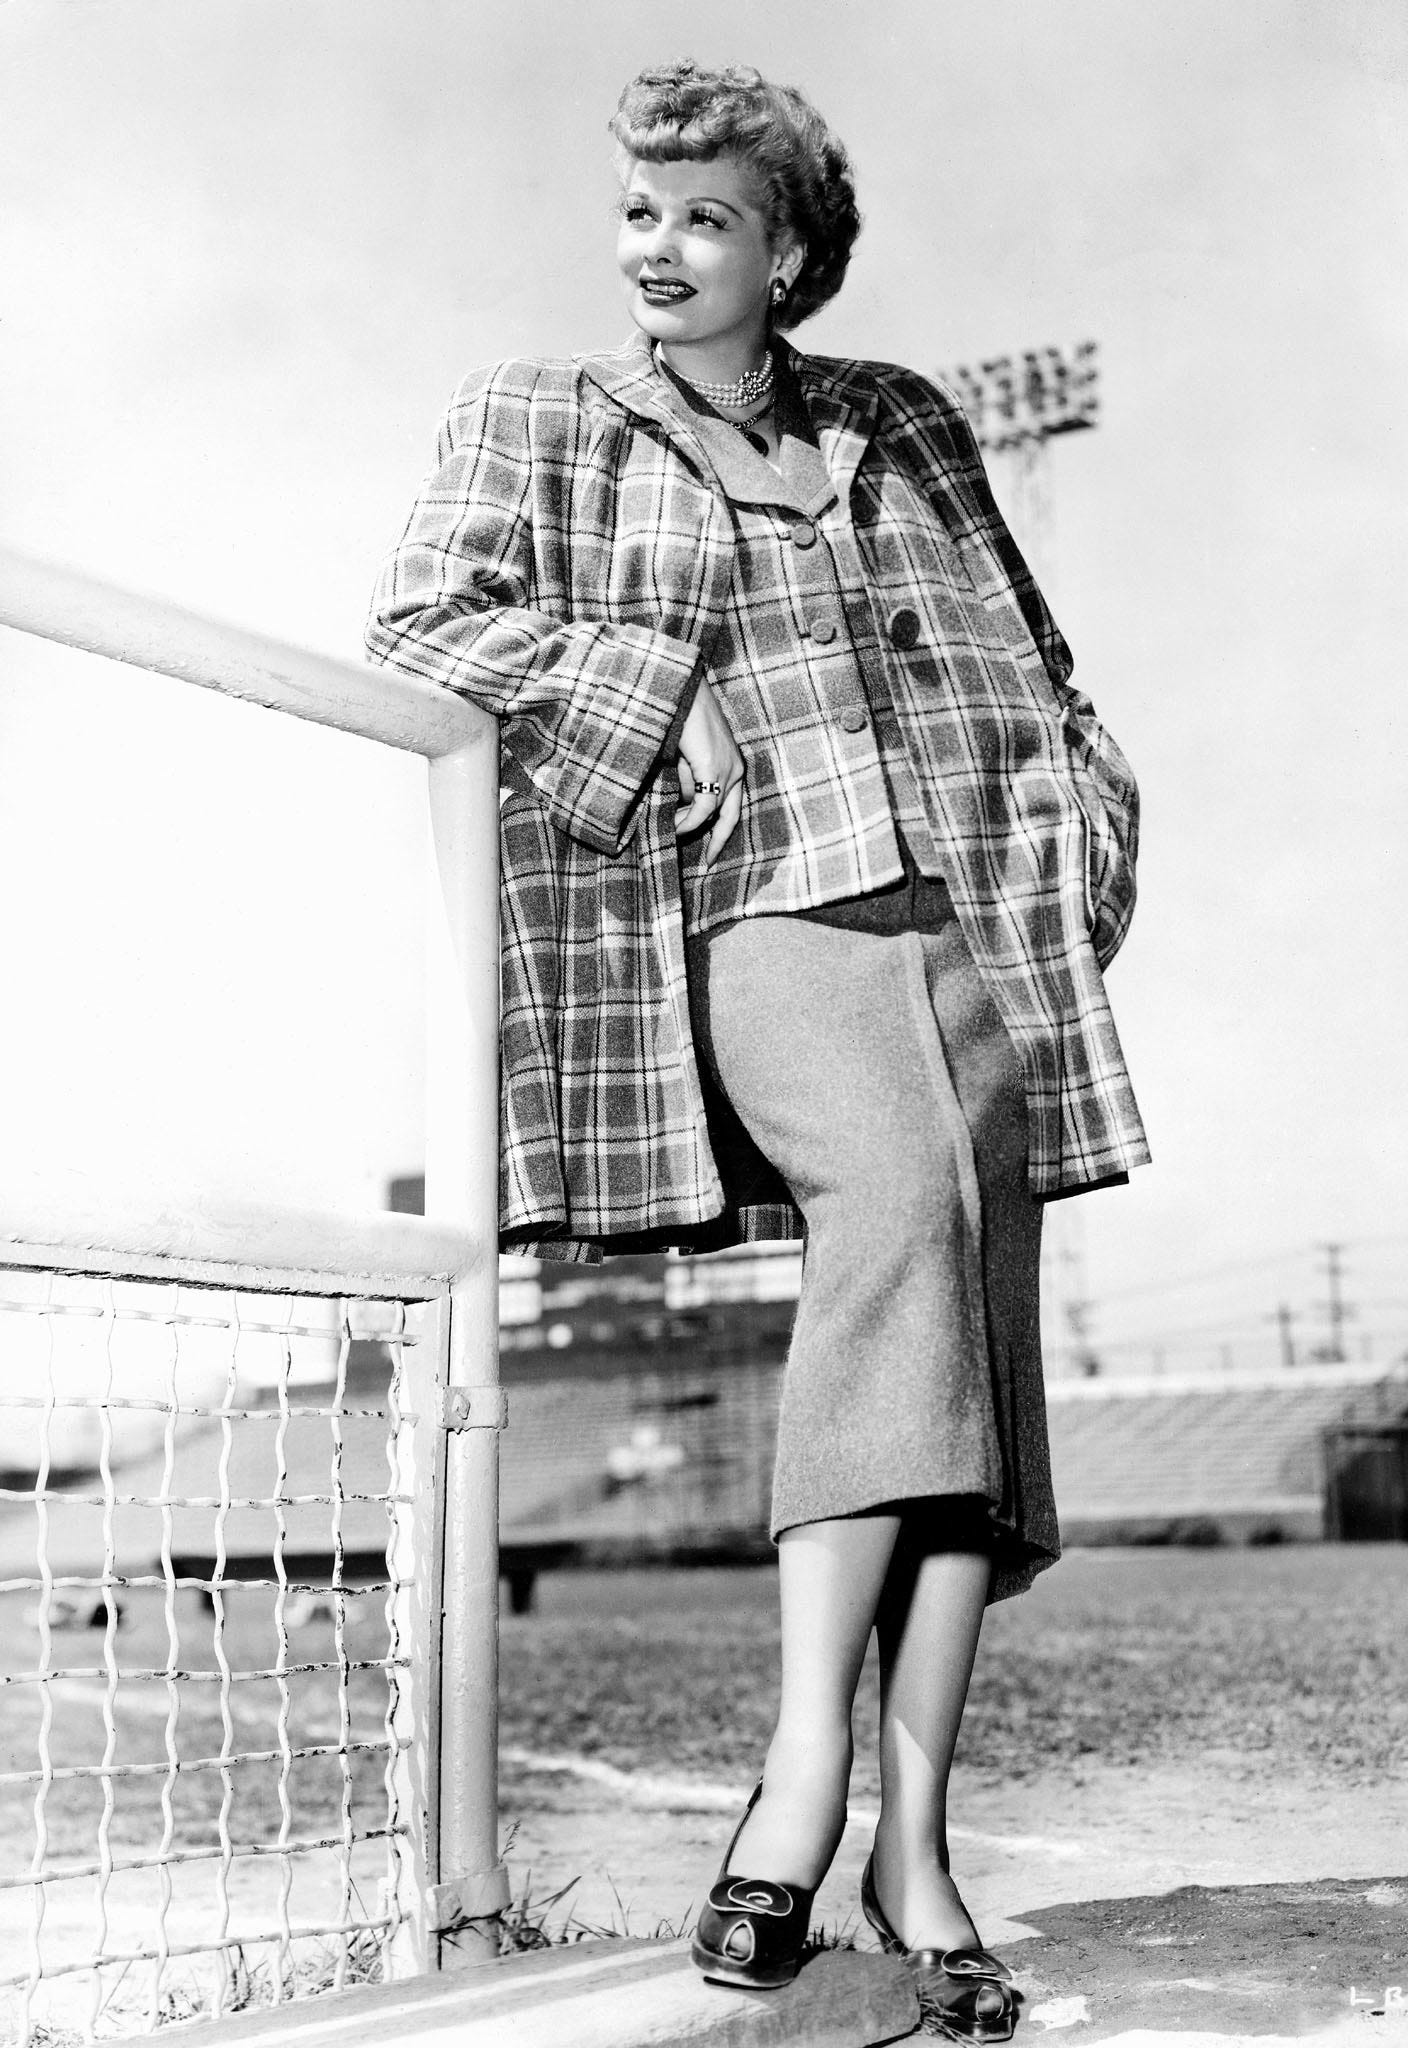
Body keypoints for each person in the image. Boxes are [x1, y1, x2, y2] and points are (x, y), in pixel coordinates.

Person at [367, 58, 1149, 2037]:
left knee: (966, 1320)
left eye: (701, 216)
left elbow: (1035, 671)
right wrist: (649, 684)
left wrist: (1077, 839)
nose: (654, 247)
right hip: (751, 910)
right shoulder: (539, 412)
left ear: (786, 249)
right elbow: (423, 619)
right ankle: (802, 1782)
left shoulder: (899, 416)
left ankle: (915, 1838)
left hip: (962, 920)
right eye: (637, 209)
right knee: (890, 1204)